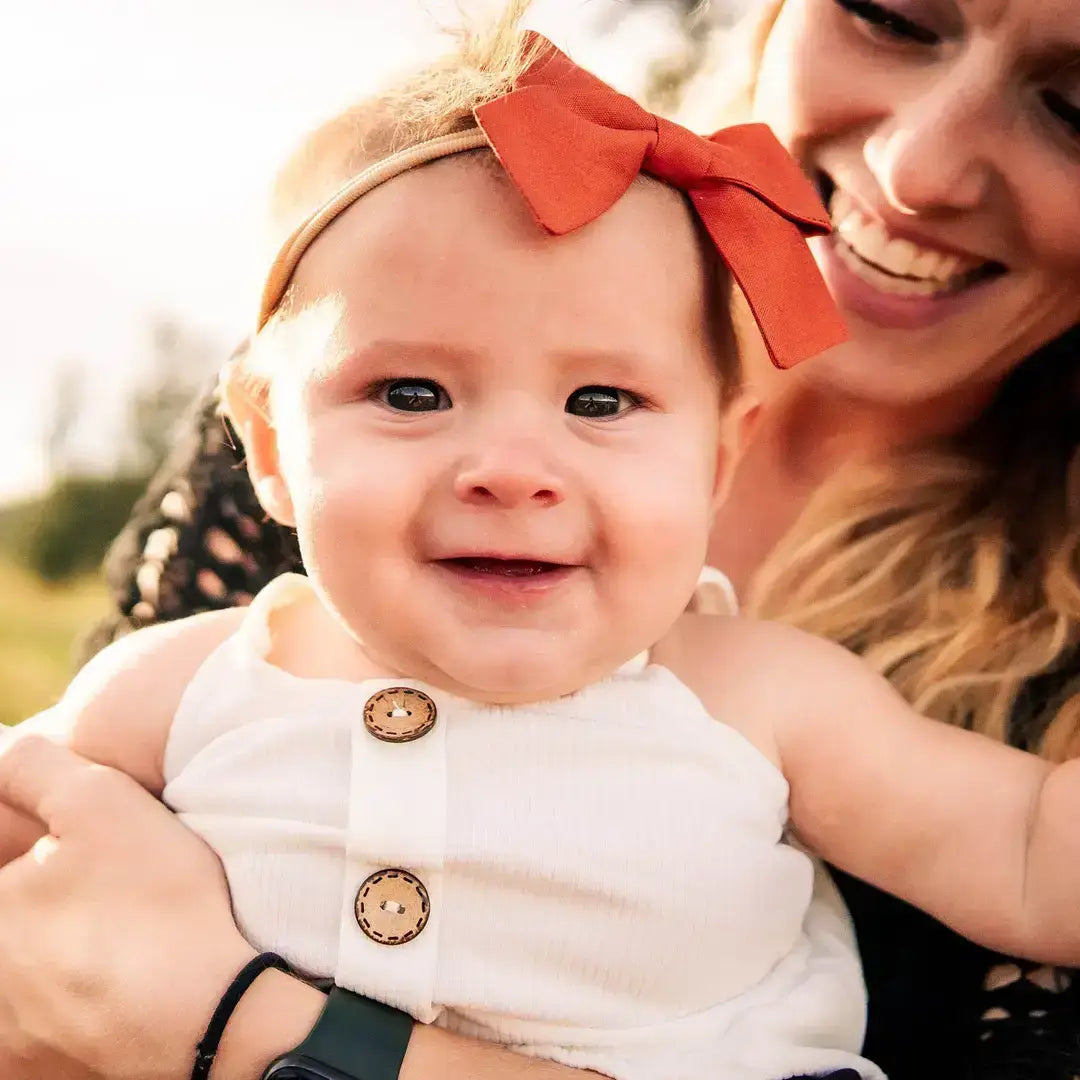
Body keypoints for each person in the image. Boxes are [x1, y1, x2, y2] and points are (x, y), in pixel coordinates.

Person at [1, 0, 1077, 1078]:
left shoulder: (766, 699)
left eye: (601, 403)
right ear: (271, 446)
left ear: (716, 459)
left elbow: (1033, 852)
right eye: (414, 392)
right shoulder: (177, 689)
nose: (512, 469)